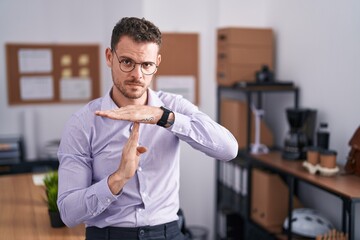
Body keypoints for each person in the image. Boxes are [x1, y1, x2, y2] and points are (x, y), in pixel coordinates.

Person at [57, 17, 238, 240]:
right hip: (109, 235)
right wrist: (118, 179)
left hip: (168, 232)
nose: (137, 75)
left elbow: (229, 149)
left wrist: (162, 117)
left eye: (147, 65)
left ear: (157, 62)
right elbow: (68, 213)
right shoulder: (83, 123)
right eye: (126, 62)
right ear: (109, 57)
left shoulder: (173, 107)